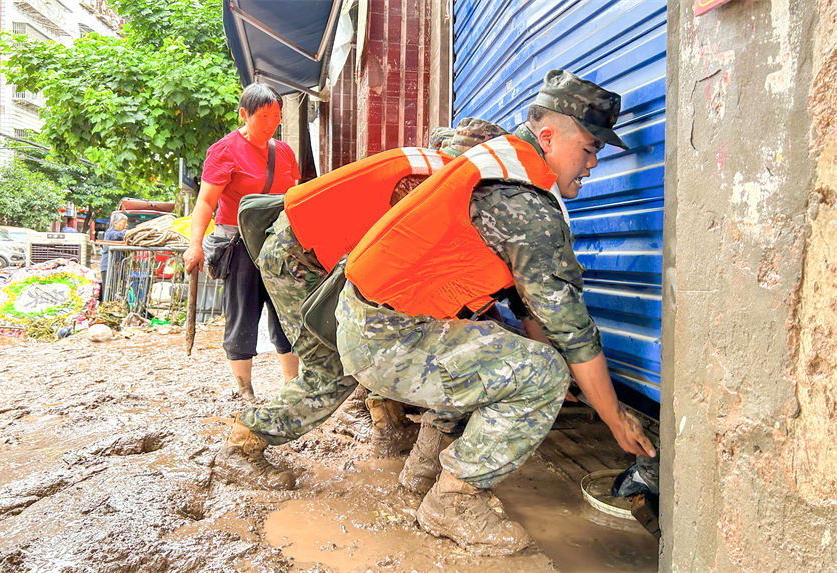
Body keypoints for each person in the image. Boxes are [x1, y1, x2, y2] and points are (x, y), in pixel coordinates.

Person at [334, 70, 656, 555]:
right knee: (540, 370)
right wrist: (611, 415)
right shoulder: (523, 202)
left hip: (376, 321)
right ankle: (455, 498)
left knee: (496, 357)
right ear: (548, 136)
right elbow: (568, 326)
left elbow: (533, 308)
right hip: (385, 337)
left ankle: (421, 474)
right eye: (588, 148)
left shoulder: (503, 165)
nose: (593, 163)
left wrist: (578, 387)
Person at [213, 119, 507, 487]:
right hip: (301, 258)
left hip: (302, 248)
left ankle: (390, 426)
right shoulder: (433, 184)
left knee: (374, 337)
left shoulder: (428, 164)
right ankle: (241, 448)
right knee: (335, 368)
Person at [183, 83, 300, 401]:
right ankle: (245, 390)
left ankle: (292, 385)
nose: (272, 123)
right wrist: (195, 244)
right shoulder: (224, 150)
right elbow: (206, 203)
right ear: (243, 115)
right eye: (264, 116)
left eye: (276, 116)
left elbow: (294, 199)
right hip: (237, 246)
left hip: (278, 246)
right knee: (242, 315)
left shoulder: (285, 152)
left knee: (286, 313)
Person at [100, 214, 128, 301]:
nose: (126, 225)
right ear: (115, 223)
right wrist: (129, 232)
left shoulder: (121, 234)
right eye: (124, 223)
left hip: (118, 266)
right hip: (108, 266)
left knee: (118, 288)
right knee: (108, 290)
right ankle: (107, 307)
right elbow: (117, 235)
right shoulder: (110, 233)